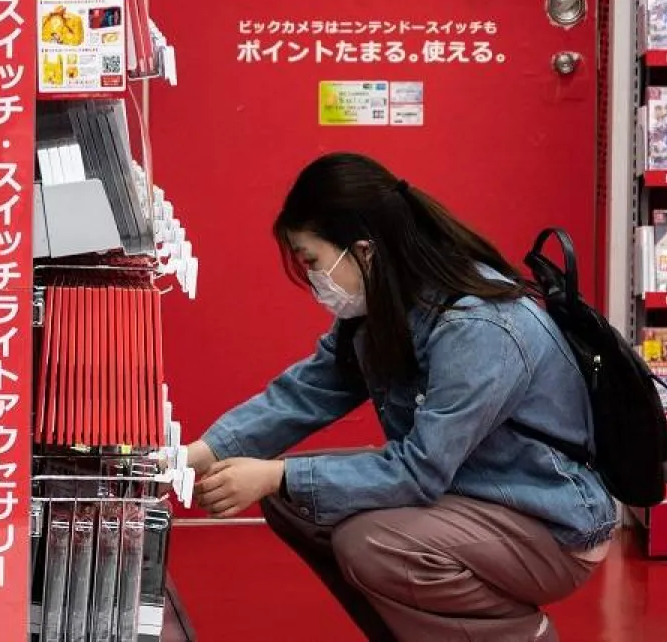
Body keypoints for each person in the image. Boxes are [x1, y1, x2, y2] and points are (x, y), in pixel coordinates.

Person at [188, 153, 616, 642]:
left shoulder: (477, 326)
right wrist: (203, 452)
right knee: (296, 501)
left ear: (364, 251)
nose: (312, 280)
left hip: (549, 521)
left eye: (313, 261)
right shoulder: (385, 305)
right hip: (474, 494)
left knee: (368, 543)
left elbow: (418, 471)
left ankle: (519, 635)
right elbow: (305, 392)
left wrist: (276, 475)